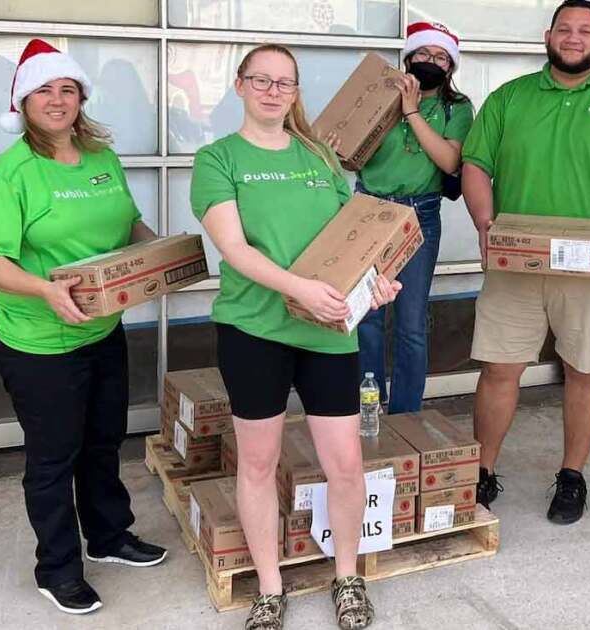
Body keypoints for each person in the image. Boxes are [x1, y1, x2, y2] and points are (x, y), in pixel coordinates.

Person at [190, 44, 401, 630]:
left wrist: (374, 285)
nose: (273, 91)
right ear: (239, 85)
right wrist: (301, 289)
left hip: (328, 332)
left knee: (347, 463)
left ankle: (348, 576)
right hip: (254, 330)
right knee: (258, 463)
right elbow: (234, 249)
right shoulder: (217, 159)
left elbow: (355, 241)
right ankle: (269, 587)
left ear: (296, 92)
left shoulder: (323, 160)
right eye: (261, 80)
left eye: (285, 83)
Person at [0, 39, 165, 615]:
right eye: (44, 91)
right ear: (23, 102)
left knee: (103, 442)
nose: (57, 101)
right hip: (38, 343)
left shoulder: (100, 157)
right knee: (55, 457)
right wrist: (45, 290)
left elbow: (127, 221)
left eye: (67, 89)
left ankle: (108, 537)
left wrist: (158, 253)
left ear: (81, 97)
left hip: (102, 331)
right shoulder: (11, 174)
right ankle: (56, 568)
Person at [461, 0, 590, 524]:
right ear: (548, 35)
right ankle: (482, 471)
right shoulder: (509, 99)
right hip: (518, 264)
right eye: (564, 29)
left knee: (583, 370)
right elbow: (475, 164)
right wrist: (486, 227)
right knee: (499, 369)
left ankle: (572, 476)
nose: (574, 37)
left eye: (585, 30)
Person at [327, 22, 474, 414]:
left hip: (419, 214)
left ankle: (406, 415)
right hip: (369, 209)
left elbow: (449, 160)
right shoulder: (378, 96)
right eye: (423, 54)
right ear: (408, 57)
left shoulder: (455, 108)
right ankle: (368, 406)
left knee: (410, 324)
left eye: (441, 57)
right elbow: (350, 156)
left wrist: (411, 111)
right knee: (367, 318)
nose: (431, 61)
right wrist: (337, 147)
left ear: (451, 66)